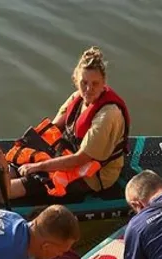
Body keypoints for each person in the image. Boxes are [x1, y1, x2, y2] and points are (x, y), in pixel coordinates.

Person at [9, 46, 130, 200]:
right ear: (75, 79)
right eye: (84, 83)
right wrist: (31, 152)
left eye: (95, 84)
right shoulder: (76, 98)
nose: (88, 89)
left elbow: (81, 159)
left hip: (92, 174)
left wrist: (38, 166)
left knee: (34, 180)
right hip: (68, 153)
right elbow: (53, 129)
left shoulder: (108, 115)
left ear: (104, 83)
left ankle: (1, 192)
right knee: (20, 160)